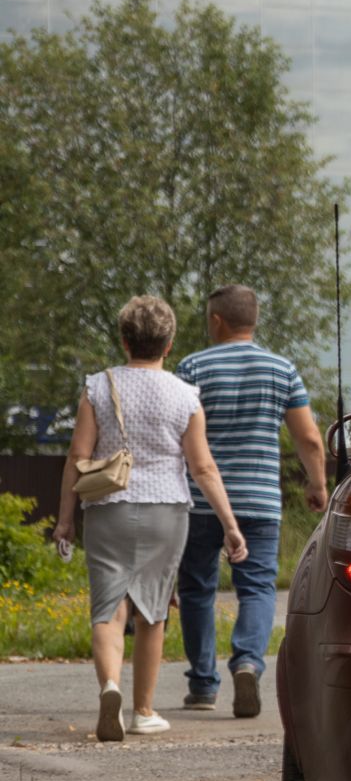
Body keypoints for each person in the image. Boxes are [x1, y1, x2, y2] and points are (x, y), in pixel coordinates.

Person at [52, 296, 248, 742]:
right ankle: (143, 711)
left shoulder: (98, 387)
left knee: (107, 608)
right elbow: (203, 469)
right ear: (169, 343)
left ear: (124, 341)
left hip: (107, 508)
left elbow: (78, 457)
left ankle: (110, 688)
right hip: (166, 509)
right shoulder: (185, 395)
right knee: (152, 612)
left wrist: (65, 520)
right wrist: (230, 526)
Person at [174, 285, 327, 719]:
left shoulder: (192, 367)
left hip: (201, 500)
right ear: (253, 320)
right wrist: (317, 485)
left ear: (217, 320)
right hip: (260, 500)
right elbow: (309, 437)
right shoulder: (282, 369)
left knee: (197, 589)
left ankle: (203, 685)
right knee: (257, 587)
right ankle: (247, 663)